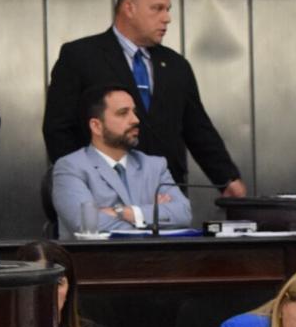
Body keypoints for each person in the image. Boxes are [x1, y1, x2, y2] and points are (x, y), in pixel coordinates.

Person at [42, 0, 247, 197]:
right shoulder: (80, 56)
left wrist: (227, 179)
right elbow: (58, 129)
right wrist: (83, 180)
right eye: (157, 9)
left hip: (166, 194)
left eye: (167, 10)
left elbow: (198, 129)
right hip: (103, 194)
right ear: (129, 8)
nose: (167, 18)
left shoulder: (176, 66)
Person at [51, 85, 192, 238]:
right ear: (96, 126)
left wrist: (124, 212)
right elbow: (87, 224)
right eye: (123, 113)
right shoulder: (71, 167)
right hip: (95, 260)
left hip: (155, 260)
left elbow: (183, 214)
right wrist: (153, 215)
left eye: (135, 112)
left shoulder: (154, 166)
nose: (136, 120)